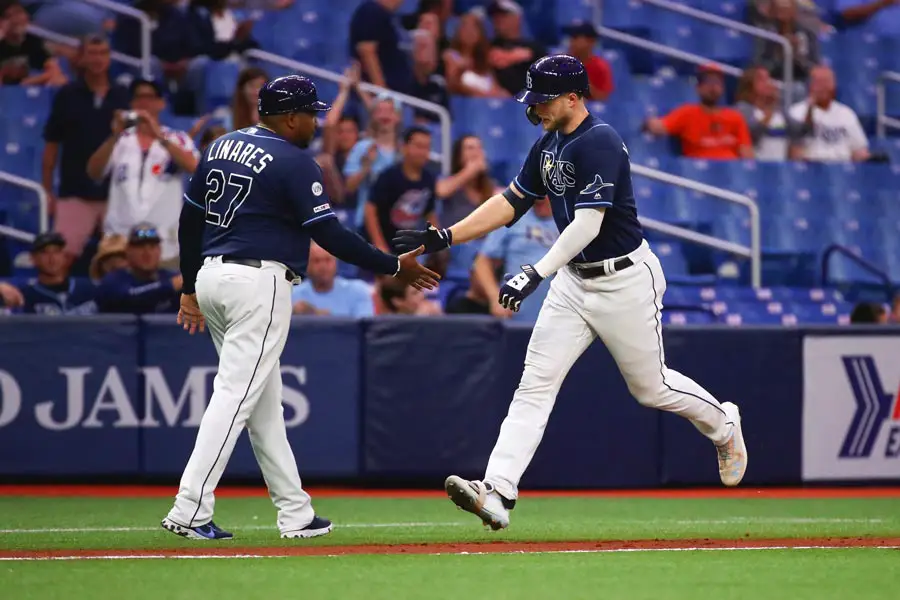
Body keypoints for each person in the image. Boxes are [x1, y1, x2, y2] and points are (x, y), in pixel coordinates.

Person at [393, 55, 747, 531]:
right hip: (574, 281)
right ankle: (497, 490)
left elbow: (588, 222)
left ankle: (723, 425)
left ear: (573, 98)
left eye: (543, 98)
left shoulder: (600, 141)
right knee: (534, 383)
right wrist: (447, 235)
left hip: (623, 279)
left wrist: (533, 272)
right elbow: (510, 202)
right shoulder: (547, 144)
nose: (535, 107)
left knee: (651, 388)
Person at [162, 75, 439, 541]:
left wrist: (189, 286)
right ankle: (190, 506)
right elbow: (329, 235)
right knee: (234, 396)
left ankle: (295, 512)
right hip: (257, 282)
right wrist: (393, 266)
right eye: (311, 113)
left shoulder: (220, 146)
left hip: (212, 275)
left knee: (263, 404)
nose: (315, 121)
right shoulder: (294, 161)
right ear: (290, 117)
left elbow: (189, 223)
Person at [87, 78, 199, 270]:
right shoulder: (120, 140)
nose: (144, 102)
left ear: (161, 103)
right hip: (120, 244)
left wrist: (159, 137)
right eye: (138, 97)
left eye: (149, 97)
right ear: (131, 103)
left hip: (165, 243)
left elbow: (194, 167)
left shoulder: (177, 138)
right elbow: (94, 172)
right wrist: (114, 135)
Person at [788, 65, 870, 162]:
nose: (823, 87)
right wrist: (810, 108)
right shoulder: (796, 112)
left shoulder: (847, 114)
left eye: (827, 82)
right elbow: (794, 152)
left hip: (842, 168)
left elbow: (859, 150)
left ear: (834, 86)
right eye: (818, 82)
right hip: (811, 168)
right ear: (810, 85)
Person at [96, 224, 182, 314]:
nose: (147, 253)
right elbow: (129, 298)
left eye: (152, 247)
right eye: (140, 247)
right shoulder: (113, 281)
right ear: (128, 251)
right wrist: (170, 285)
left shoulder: (170, 276)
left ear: (159, 251)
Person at [15, 232, 97, 315]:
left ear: (65, 256)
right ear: (33, 258)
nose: (52, 258)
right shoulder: (25, 296)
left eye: (57, 251)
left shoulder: (89, 289)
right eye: (44, 253)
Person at [291, 243, 375, 317]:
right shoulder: (292, 296)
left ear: (336, 262)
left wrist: (315, 314)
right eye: (316, 261)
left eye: (328, 260)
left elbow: (365, 328)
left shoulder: (358, 291)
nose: (323, 266)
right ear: (307, 265)